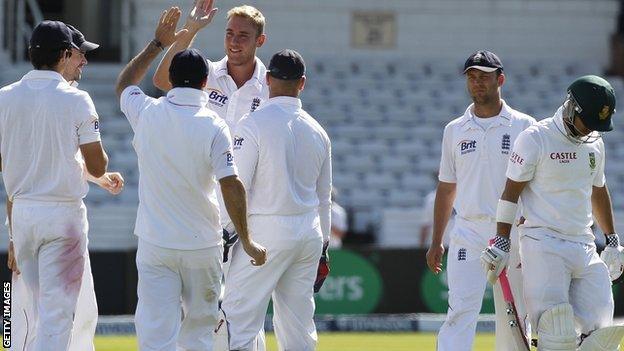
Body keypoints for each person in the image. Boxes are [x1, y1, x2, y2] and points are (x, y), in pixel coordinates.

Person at [115, 7, 266, 351]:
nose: (234, 41)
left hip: (156, 241)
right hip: (203, 242)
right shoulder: (214, 125)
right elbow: (231, 183)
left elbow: (126, 83)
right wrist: (249, 237)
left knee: (156, 333)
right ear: (204, 82)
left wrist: (158, 42)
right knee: (200, 333)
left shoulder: (147, 112)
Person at [482, 75, 624, 350]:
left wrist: (612, 239)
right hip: (542, 243)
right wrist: (501, 240)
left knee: (603, 334)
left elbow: (598, 190)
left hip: (583, 243)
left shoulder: (595, 142)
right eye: (588, 122)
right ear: (572, 107)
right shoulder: (536, 138)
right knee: (556, 333)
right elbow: (511, 191)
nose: (589, 131)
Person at [7, 23, 124, 351]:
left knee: (33, 314)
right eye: (79, 53)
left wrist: (92, 176)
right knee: (60, 318)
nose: (84, 61)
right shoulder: (77, 99)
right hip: (63, 220)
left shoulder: (4, 98)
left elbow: (13, 164)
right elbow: (98, 162)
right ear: (64, 54)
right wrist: (97, 169)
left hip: (23, 217)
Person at [221, 49, 331, 351]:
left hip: (265, 232)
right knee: (299, 326)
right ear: (302, 83)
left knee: (239, 316)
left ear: (268, 79)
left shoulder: (253, 122)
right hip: (309, 233)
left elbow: (236, 183)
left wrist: (226, 231)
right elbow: (324, 198)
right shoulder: (319, 131)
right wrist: (322, 249)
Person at [425, 50, 536, 351]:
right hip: (468, 232)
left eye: (484, 77)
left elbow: (537, 184)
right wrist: (437, 240)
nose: (477, 83)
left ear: (500, 79)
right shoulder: (454, 130)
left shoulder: (525, 126)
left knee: (514, 315)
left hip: (511, 232)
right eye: (472, 77)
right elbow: (447, 187)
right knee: (460, 310)